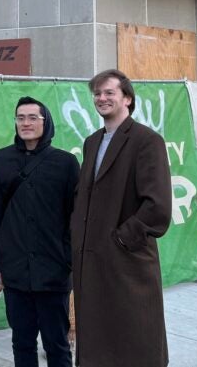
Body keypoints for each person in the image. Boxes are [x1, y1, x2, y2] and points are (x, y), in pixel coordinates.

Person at [71, 69, 172, 367]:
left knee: (134, 339)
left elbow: (158, 208)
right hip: (90, 261)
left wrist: (120, 240)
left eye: (109, 93)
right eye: (97, 94)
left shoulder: (146, 140)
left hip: (126, 261)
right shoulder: (92, 142)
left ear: (127, 98)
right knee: (96, 340)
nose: (101, 98)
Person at [0, 96, 79, 367]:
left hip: (54, 271)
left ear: (45, 122)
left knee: (57, 344)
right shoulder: (2, 159)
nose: (26, 123)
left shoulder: (66, 163)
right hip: (15, 272)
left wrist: (67, 259)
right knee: (21, 343)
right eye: (20, 118)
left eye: (32, 118)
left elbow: (76, 217)